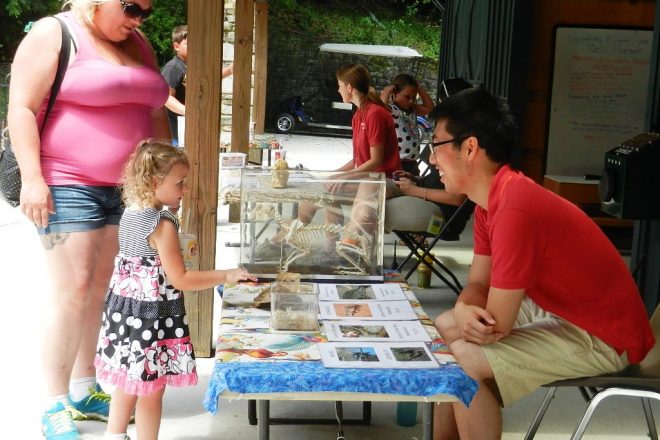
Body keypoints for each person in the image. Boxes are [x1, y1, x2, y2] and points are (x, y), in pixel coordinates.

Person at [428, 87, 655, 440]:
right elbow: (477, 285)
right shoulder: (492, 200)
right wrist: (462, 309)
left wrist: (466, 312)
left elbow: (497, 323)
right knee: (444, 328)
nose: (431, 159)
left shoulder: (516, 209)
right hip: (564, 312)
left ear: (469, 147)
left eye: (436, 146)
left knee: (462, 359)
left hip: (605, 336)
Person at [7, 1, 171, 438]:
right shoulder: (53, 33)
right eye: (131, 7)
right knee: (73, 288)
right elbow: (21, 107)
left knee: (105, 284)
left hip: (129, 187)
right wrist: (33, 179)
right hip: (66, 181)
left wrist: (164, 178)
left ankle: (84, 387)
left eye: (147, 13)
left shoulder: (135, 42)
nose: (139, 19)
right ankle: (55, 401)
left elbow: (154, 111)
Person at [95, 140, 254, 440]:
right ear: (155, 181)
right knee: (152, 390)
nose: (184, 190)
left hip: (126, 315)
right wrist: (227, 275)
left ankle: (114, 435)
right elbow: (179, 278)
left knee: (128, 381)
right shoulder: (161, 224)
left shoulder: (130, 213)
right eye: (179, 183)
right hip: (153, 320)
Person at [256, 64, 401, 261]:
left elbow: (376, 162)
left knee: (325, 191)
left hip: (384, 179)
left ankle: (299, 245)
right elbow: (358, 159)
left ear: (350, 87)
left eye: (340, 85)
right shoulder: (359, 114)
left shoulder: (374, 114)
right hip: (368, 176)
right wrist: (336, 174)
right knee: (321, 190)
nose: (338, 90)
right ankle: (320, 248)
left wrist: (345, 177)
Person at [160, 24, 233, 146]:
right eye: (189, 43)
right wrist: (189, 111)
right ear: (176, 46)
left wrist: (230, 70)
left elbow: (210, 79)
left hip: (189, 130)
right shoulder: (173, 67)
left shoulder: (193, 68)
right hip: (174, 133)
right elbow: (166, 97)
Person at [380, 73, 434, 175]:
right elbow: (381, 106)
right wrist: (388, 90)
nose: (411, 101)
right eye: (407, 96)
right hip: (398, 162)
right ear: (395, 93)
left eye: (414, 97)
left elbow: (430, 108)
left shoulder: (413, 109)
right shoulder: (391, 109)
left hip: (412, 162)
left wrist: (420, 89)